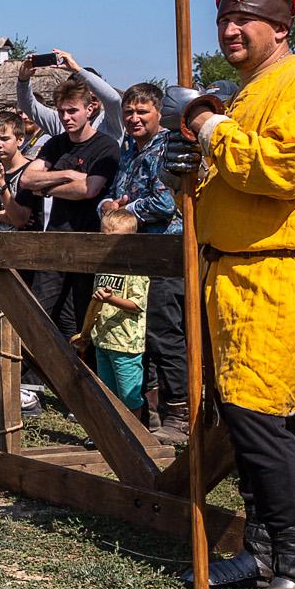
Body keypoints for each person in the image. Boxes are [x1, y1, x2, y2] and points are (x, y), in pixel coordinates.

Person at [164, 0, 295, 589]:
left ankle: (290, 568)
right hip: (233, 275)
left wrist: (206, 124)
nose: (230, 29)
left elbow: (280, 171)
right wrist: (183, 171)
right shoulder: (245, 94)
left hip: (281, 275)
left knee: (263, 423)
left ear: (282, 26)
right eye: (224, 20)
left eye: (245, 19)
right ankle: (262, 551)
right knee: (250, 421)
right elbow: (224, 185)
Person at [101, 82, 188, 440]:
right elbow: (117, 192)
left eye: (142, 112)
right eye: (129, 112)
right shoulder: (129, 150)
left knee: (165, 333)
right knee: (137, 334)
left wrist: (124, 208)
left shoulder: (167, 146)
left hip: (165, 254)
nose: (134, 118)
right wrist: (108, 205)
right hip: (134, 256)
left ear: (157, 114)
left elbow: (166, 204)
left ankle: (179, 414)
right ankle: (145, 409)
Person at [16, 76, 120, 347]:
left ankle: (77, 380)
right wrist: (67, 174)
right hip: (56, 237)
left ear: (90, 109)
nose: (66, 117)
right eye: (61, 111)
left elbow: (89, 189)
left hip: (87, 241)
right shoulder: (56, 143)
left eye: (72, 110)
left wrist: (47, 186)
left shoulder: (106, 146)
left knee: (78, 316)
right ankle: (31, 380)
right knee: (40, 308)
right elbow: (27, 180)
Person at [84, 208, 150, 415]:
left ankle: (137, 438)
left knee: (129, 395)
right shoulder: (103, 266)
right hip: (103, 338)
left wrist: (111, 298)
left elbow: (138, 305)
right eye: (104, 238)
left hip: (125, 343)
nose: (109, 244)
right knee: (108, 393)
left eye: (115, 240)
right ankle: (115, 436)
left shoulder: (135, 268)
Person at [18, 49, 124, 142]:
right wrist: (23, 80)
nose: (91, 96)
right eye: (84, 93)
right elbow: (28, 106)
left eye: (95, 96)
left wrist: (78, 70)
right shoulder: (62, 119)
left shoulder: (110, 122)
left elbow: (113, 100)